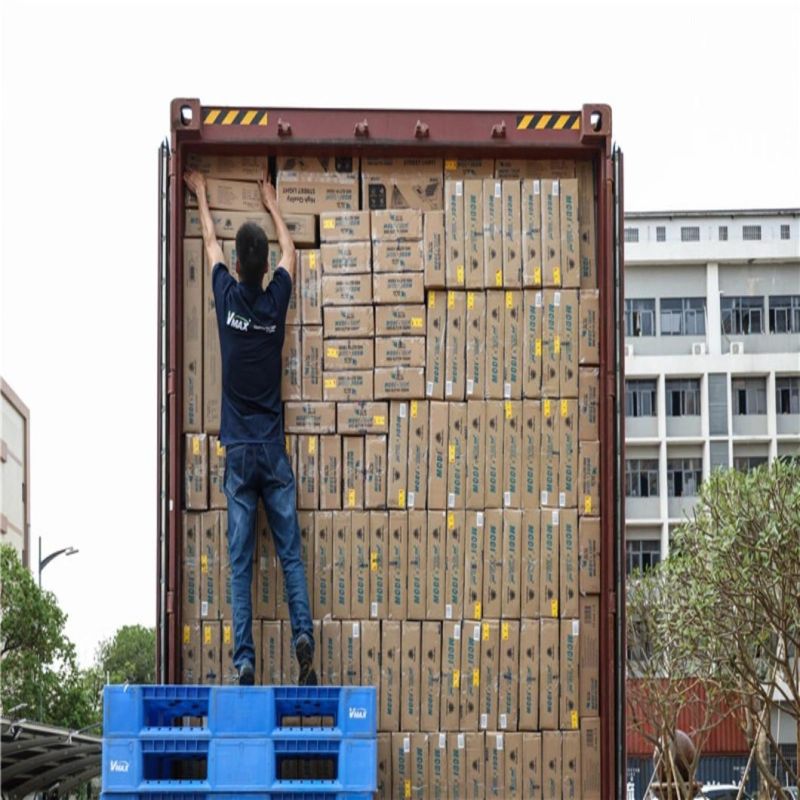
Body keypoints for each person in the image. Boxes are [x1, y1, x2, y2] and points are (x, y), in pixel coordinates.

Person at [183, 166, 316, 687]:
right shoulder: (274, 303)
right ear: (262, 270)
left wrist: (199, 194)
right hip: (274, 454)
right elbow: (292, 253)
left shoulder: (226, 300)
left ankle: (244, 661)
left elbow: (210, 245)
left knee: (241, 565)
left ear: (238, 267)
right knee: (290, 556)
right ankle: (302, 636)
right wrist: (273, 202)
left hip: (238, 456)